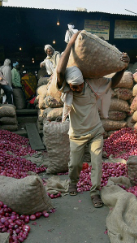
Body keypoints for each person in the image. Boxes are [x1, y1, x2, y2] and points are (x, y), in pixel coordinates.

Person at [55, 31, 130, 208]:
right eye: (75, 86)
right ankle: (72, 182)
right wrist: (71, 42)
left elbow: (113, 83)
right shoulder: (65, 89)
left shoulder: (91, 84)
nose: (78, 88)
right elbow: (59, 70)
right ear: (69, 85)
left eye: (80, 84)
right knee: (74, 164)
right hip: (77, 134)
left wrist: (123, 68)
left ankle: (95, 192)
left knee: (96, 161)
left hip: (95, 131)